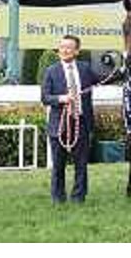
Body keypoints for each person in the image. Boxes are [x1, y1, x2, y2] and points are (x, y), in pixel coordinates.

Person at [42, 35, 99, 204]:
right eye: (62, 47)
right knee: (58, 165)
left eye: (69, 47)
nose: (65, 50)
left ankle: (78, 197)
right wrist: (62, 99)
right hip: (59, 124)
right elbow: (45, 97)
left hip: (81, 122)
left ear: (77, 51)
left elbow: (103, 79)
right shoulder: (51, 71)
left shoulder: (85, 69)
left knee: (81, 164)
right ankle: (58, 198)